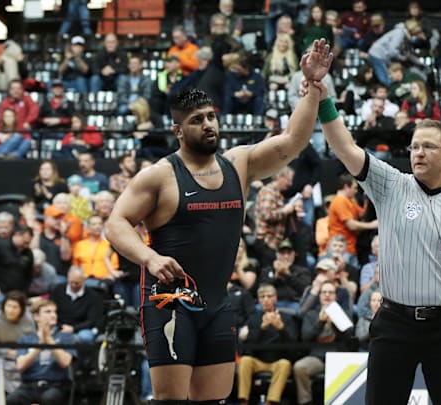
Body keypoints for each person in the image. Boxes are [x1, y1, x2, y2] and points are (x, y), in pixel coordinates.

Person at [104, 39, 333, 403]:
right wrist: (148, 257)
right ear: (179, 131)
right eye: (197, 121)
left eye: (211, 116)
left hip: (216, 305)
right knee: (172, 399)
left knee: (214, 399)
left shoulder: (238, 164)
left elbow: (292, 141)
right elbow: (115, 224)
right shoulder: (160, 176)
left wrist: (313, 90)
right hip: (168, 304)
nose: (209, 125)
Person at [301, 75, 441, 404]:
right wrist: (324, 101)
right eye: (414, 146)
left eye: (428, 147)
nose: (418, 153)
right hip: (394, 323)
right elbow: (344, 147)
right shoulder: (390, 184)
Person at [6, 299, 76, 405]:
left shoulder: (66, 337)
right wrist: (39, 346)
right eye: (48, 312)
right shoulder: (25, 339)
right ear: (36, 316)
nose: (53, 315)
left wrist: (49, 339)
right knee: (13, 399)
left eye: (54, 312)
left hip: (55, 385)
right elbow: (20, 366)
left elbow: (65, 362)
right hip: (29, 386)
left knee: (50, 399)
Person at [237, 283, 298, 404]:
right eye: (262, 296)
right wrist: (262, 328)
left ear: (275, 298)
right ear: (259, 300)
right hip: (258, 361)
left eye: (269, 296)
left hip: (278, 361)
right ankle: (243, 401)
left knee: (285, 364)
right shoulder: (253, 319)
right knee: (245, 361)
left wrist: (281, 328)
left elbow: (294, 347)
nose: (266, 300)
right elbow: (248, 348)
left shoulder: (286, 318)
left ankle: (270, 402)